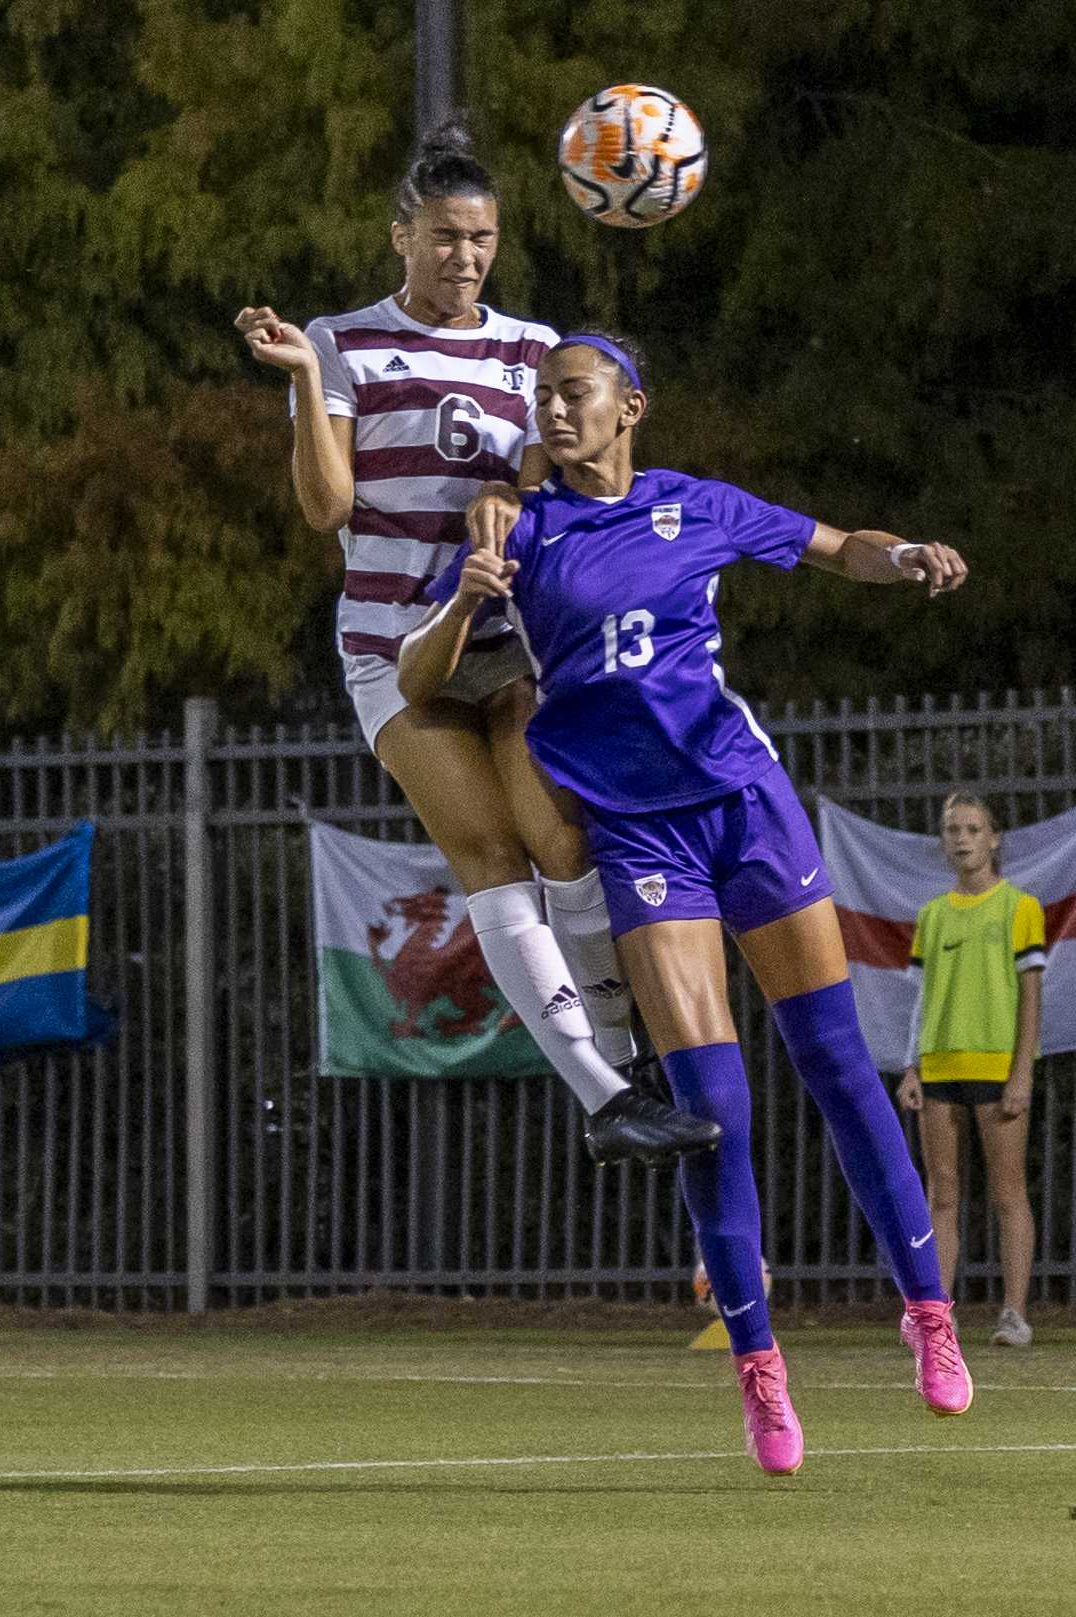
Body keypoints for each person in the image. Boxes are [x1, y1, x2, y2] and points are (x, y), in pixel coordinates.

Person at [399, 333, 975, 1477]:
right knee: (712, 1110)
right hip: (638, 828)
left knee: (838, 1066)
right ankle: (758, 1368)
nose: (552, 412)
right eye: (542, 396)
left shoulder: (694, 506)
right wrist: (464, 603)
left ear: (629, 409)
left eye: (574, 395)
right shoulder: (516, 528)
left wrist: (901, 552)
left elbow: (832, 548)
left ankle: (927, 1313)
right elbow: (420, 682)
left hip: (743, 804)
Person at [233, 123, 716, 1169]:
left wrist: (516, 484)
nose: (466, 257)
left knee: (564, 845)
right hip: (394, 648)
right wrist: (301, 375)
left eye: (483, 238)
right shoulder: (338, 341)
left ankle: (623, 1046)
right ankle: (604, 1098)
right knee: (491, 857)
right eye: (446, 236)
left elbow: (554, 469)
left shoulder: (530, 348)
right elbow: (326, 508)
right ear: (401, 236)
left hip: (510, 641)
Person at [897, 792, 1045, 1348]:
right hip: (938, 1067)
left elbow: (1032, 997)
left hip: (996, 1066)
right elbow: (919, 1000)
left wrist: (1022, 1072)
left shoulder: (1019, 907)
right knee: (941, 1196)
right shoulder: (932, 915)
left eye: (974, 829)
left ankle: (1013, 1313)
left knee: (1008, 1191)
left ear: (994, 838)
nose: (962, 838)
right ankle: (937, 1318)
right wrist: (910, 1067)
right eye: (953, 829)